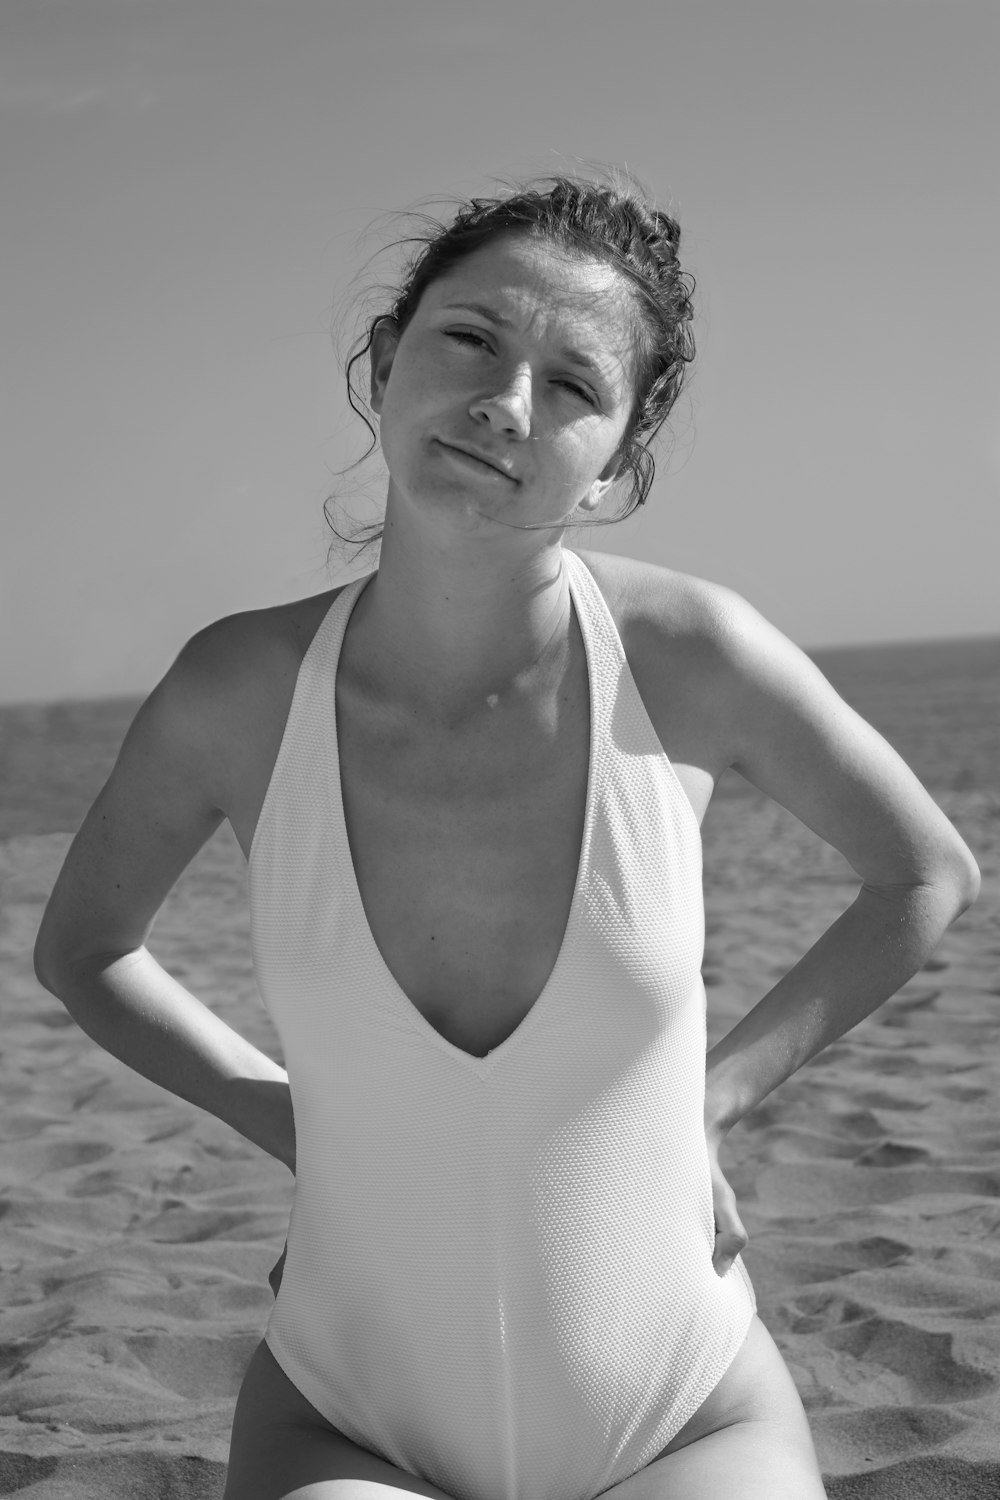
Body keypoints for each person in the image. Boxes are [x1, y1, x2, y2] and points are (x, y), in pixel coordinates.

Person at [34, 173, 979, 1500]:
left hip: (682, 1423)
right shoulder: (237, 693)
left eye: (574, 386)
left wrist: (712, 1096)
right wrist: (297, 1120)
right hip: (348, 1424)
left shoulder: (689, 656)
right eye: (468, 339)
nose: (505, 403)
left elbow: (923, 873)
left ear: (621, 470)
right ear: (384, 364)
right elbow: (86, 949)